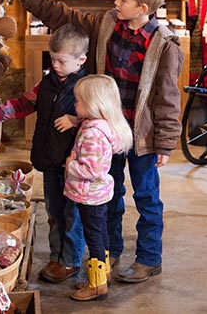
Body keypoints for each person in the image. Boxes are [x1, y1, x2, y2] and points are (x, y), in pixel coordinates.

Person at [11, 0, 183, 283]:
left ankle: (148, 258)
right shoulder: (106, 24)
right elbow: (66, 17)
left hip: (141, 136)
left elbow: (168, 99)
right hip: (106, 131)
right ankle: (111, 249)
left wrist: (166, 142)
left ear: (143, 8)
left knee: (146, 196)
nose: (115, 3)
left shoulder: (164, 45)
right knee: (109, 193)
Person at [0, 23, 89, 283]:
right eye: (52, 59)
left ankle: (70, 261)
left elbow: (101, 115)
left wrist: (75, 119)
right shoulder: (48, 81)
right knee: (54, 213)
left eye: (61, 61)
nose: (55, 65)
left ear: (81, 60)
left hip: (73, 166)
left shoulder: (87, 86)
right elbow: (24, 104)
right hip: (49, 160)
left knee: (72, 215)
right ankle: (57, 256)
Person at [65, 75, 133, 301]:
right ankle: (105, 274)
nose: (75, 105)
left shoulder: (94, 133)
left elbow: (92, 170)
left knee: (93, 238)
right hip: (98, 195)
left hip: (89, 194)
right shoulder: (99, 125)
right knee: (100, 234)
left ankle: (97, 286)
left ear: (95, 104)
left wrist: (71, 164)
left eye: (79, 101)